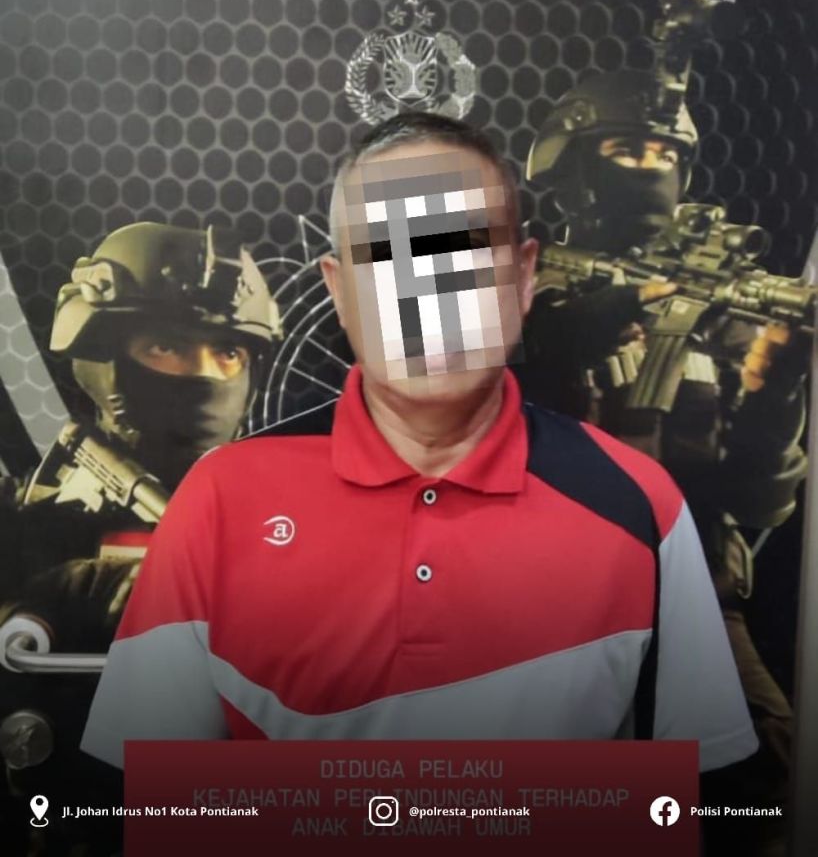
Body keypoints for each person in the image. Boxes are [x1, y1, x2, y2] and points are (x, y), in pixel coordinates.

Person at [81, 113, 758, 787]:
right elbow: (154, 802)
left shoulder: (641, 505)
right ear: (338, 289)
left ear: (523, 276)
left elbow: (704, 807)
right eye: (389, 259)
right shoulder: (220, 498)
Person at [521, 69, 808, 854]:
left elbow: (759, 499)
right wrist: (608, 315)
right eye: (625, 149)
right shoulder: (522, 284)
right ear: (574, 164)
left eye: (665, 153)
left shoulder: (719, 319)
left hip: (692, 596)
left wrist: (776, 391)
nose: (649, 168)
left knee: (766, 778)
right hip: (546, 602)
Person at [0, 221, 278, 855]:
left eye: (228, 354)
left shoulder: (288, 527)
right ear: (101, 356)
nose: (202, 375)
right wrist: (65, 598)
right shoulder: (23, 525)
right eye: (165, 346)